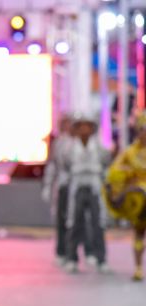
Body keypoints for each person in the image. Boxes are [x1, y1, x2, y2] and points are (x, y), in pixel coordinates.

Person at [63, 114, 112, 274]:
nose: (84, 129)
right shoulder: (70, 147)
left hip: (94, 186)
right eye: (81, 126)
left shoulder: (98, 147)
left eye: (87, 126)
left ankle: (101, 258)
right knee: (74, 223)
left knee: (98, 223)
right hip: (77, 186)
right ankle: (72, 258)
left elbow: (106, 163)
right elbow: (65, 165)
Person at [42, 114, 91, 265]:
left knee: (82, 220)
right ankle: (62, 252)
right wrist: (48, 185)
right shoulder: (60, 143)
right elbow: (53, 165)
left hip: (79, 185)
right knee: (63, 220)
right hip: (64, 186)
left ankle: (85, 253)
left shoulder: (82, 142)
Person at [106, 112, 146, 281]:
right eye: (142, 129)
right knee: (138, 233)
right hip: (140, 201)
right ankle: (138, 268)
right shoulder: (130, 153)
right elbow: (115, 172)